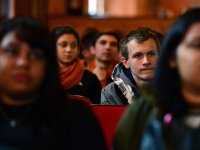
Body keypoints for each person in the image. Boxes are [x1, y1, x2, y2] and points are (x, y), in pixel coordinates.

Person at [0, 17, 107, 149]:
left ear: (48, 65)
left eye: (36, 55)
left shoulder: (75, 116)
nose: (23, 62)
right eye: (12, 52)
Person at [114, 8, 200, 150]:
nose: (146, 61)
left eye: (151, 54)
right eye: (197, 45)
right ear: (173, 57)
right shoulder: (145, 110)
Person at [101, 27, 161, 105]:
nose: (146, 61)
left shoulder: (176, 87)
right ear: (126, 63)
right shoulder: (111, 92)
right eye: (138, 55)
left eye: (151, 54)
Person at [52, 26, 102, 104]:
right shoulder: (44, 75)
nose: (69, 50)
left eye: (73, 46)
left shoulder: (90, 79)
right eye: (63, 45)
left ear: (78, 49)